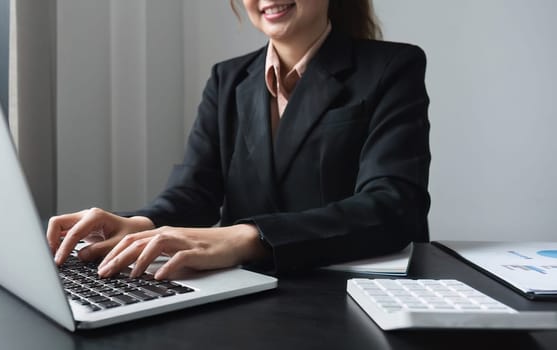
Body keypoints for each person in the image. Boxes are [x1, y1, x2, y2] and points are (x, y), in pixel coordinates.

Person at [47, 0, 430, 280]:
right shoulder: (227, 80)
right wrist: (141, 223)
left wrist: (248, 237)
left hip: (351, 294)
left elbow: (394, 207)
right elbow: (194, 192)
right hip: (245, 289)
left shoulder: (393, 68)